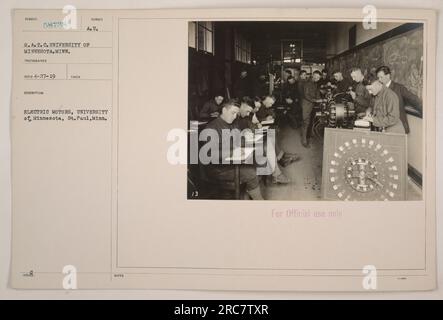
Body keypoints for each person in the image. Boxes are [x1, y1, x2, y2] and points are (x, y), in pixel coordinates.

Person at [204, 99, 263, 200]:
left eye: (237, 113)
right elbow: (210, 155)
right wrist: (233, 152)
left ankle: (247, 194)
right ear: (224, 110)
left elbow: (238, 140)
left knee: (259, 161)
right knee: (251, 173)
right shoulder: (211, 128)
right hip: (218, 169)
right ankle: (258, 201)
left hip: (232, 162)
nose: (235, 116)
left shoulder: (233, 123)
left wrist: (247, 138)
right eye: (233, 113)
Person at [235, 98, 291, 184]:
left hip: (246, 141)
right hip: (239, 146)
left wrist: (254, 127)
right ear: (242, 106)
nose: (248, 113)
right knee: (267, 142)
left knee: (268, 140)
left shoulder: (244, 116)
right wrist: (245, 133)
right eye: (247, 111)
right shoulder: (235, 117)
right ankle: (277, 172)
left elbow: (250, 125)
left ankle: (277, 169)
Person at [376, 65, 422, 134]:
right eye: (378, 78)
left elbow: (414, 100)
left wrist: (428, 112)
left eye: (381, 77)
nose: (379, 80)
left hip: (397, 126)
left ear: (388, 76)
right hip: (383, 126)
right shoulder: (380, 89)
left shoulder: (399, 88)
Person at [300, 70, 323, 148]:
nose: (317, 79)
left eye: (318, 78)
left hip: (312, 105)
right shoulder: (307, 83)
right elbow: (306, 95)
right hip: (306, 104)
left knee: (311, 121)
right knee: (305, 122)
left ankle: (308, 135)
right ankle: (304, 141)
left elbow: (317, 93)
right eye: (316, 77)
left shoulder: (315, 83)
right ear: (313, 75)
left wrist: (321, 100)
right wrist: (317, 100)